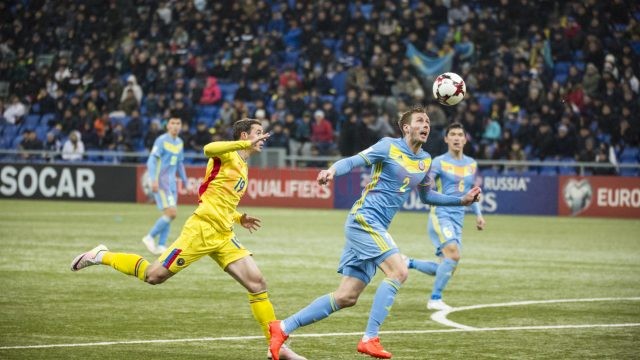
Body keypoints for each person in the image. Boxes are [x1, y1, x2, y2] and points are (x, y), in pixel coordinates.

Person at [70, 119, 306, 360]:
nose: (263, 137)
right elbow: (208, 149)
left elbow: (219, 199)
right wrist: (238, 144)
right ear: (244, 135)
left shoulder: (244, 165)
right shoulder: (227, 154)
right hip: (200, 231)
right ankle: (100, 255)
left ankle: (276, 346)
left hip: (223, 234)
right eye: (258, 133)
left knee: (257, 283)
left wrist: (238, 217)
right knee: (154, 276)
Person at [268, 106, 481, 360]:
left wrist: (462, 201)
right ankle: (370, 338)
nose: (426, 125)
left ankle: (282, 328)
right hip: (364, 220)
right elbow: (353, 160)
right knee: (399, 271)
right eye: (420, 121)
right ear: (406, 128)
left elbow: (427, 196)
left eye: (428, 122)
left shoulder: (425, 160)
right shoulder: (388, 146)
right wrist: (332, 171)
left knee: (346, 296)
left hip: (374, 227)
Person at [404, 122, 486, 311]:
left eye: (460, 134)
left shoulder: (472, 164)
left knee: (447, 264)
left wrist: (479, 215)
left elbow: (473, 193)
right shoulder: (439, 162)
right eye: (453, 134)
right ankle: (435, 299)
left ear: (465, 139)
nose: (457, 137)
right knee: (454, 255)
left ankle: (408, 262)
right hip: (441, 214)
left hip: (458, 217)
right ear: (446, 139)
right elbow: (428, 185)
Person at [141, 117, 190, 255]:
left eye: (178, 123)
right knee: (172, 213)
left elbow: (179, 163)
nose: (175, 126)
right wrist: (153, 179)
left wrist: (185, 180)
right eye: (172, 123)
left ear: (181, 126)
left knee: (170, 214)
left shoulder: (180, 142)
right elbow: (152, 160)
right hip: (161, 182)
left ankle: (161, 245)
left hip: (171, 184)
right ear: (167, 126)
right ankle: (149, 237)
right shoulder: (161, 140)